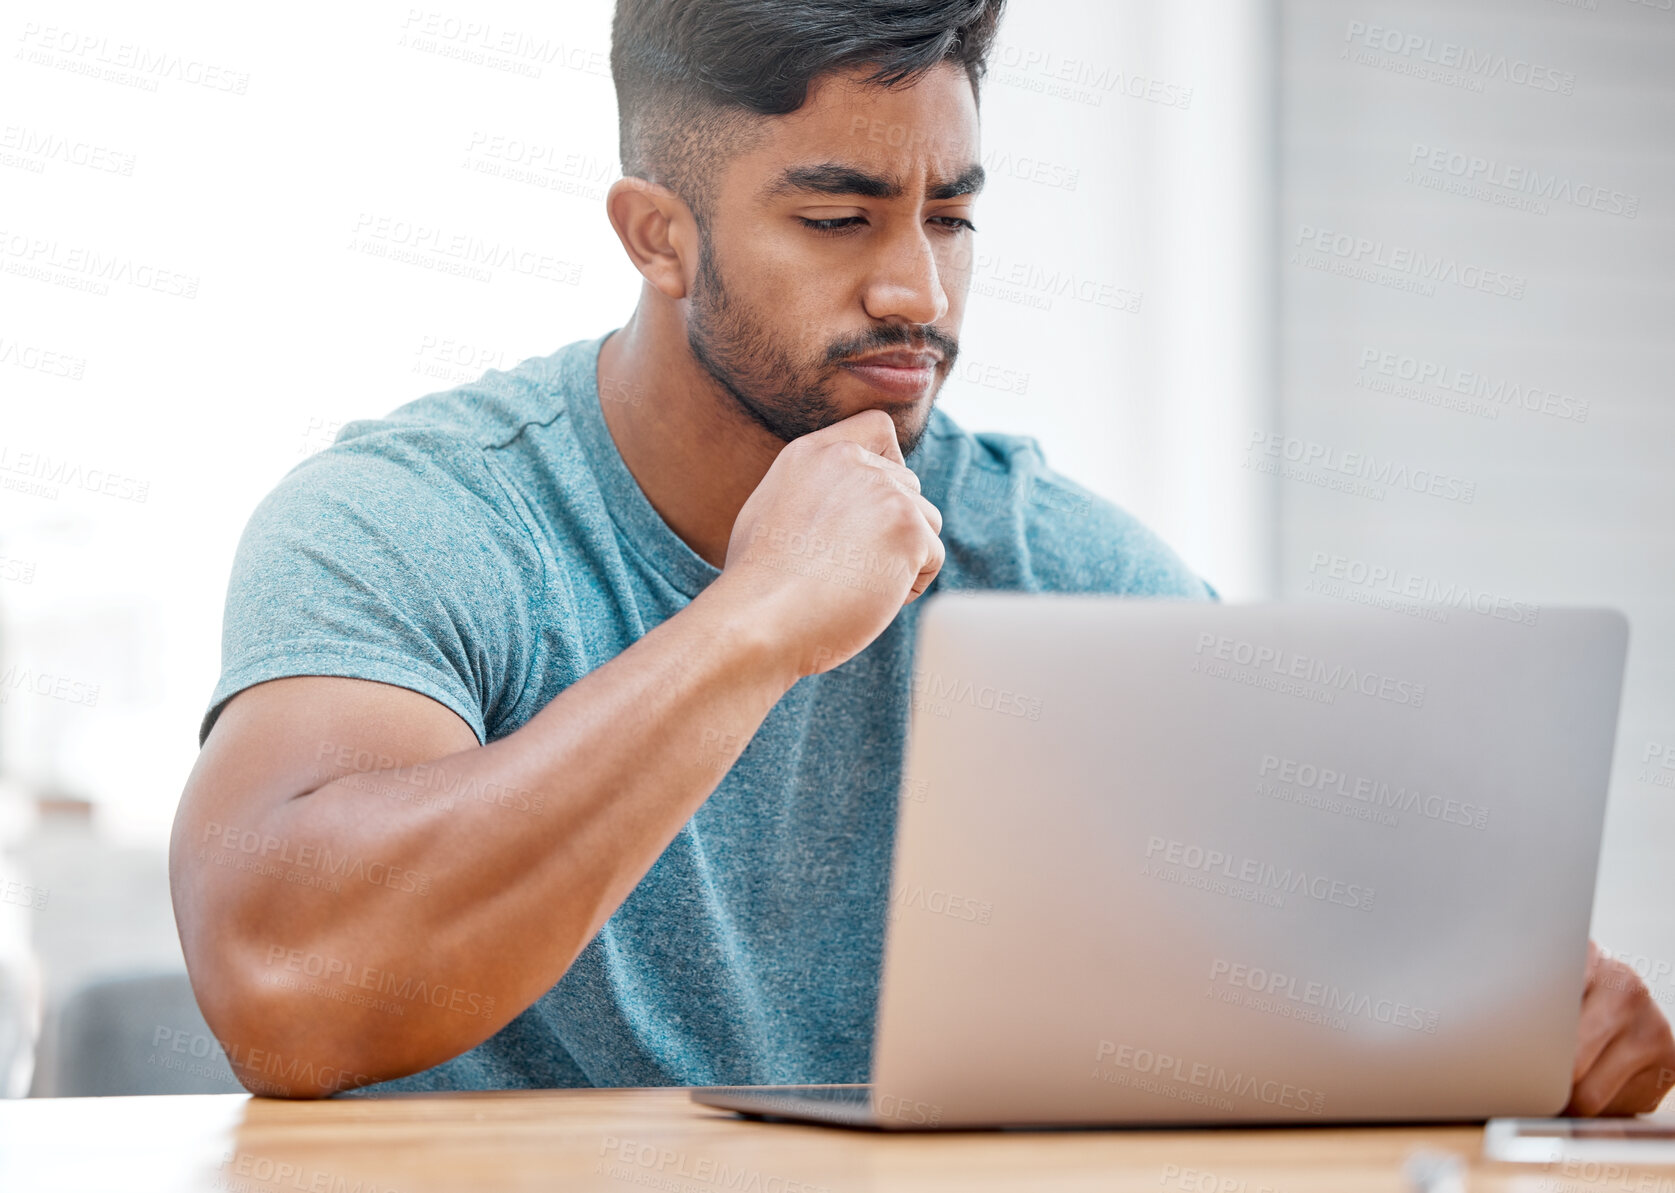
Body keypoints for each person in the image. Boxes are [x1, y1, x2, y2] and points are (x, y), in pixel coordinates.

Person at [170, 0, 1675, 1114]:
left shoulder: (1054, 565)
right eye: (837, 216)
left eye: (950, 215)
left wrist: (1511, 1019)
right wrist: (755, 619)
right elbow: (286, 992)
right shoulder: (418, 519)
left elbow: (1340, 965)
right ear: (657, 236)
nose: (915, 287)